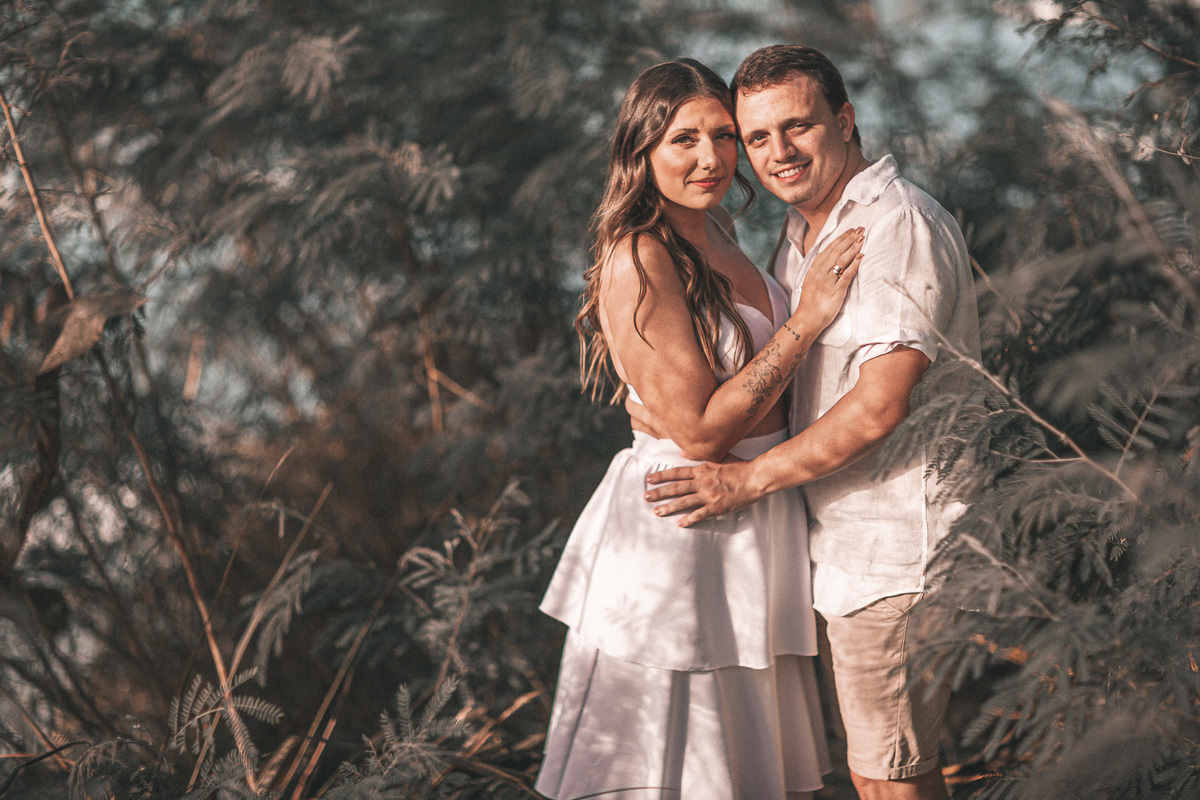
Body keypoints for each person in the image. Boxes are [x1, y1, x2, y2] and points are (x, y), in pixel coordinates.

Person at [642, 45, 982, 800]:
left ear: (846, 120)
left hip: (895, 550)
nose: (779, 152)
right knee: (883, 771)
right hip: (836, 550)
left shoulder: (894, 224)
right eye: (757, 137)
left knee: (889, 779)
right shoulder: (800, 236)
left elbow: (880, 404)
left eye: (797, 126)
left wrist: (745, 483)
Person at [535, 58, 864, 800]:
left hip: (755, 519)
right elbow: (701, 433)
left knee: (750, 765)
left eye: (723, 136)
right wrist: (809, 317)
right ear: (641, 150)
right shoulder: (640, 254)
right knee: (675, 769)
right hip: (686, 528)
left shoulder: (718, 229)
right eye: (684, 139)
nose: (711, 158)